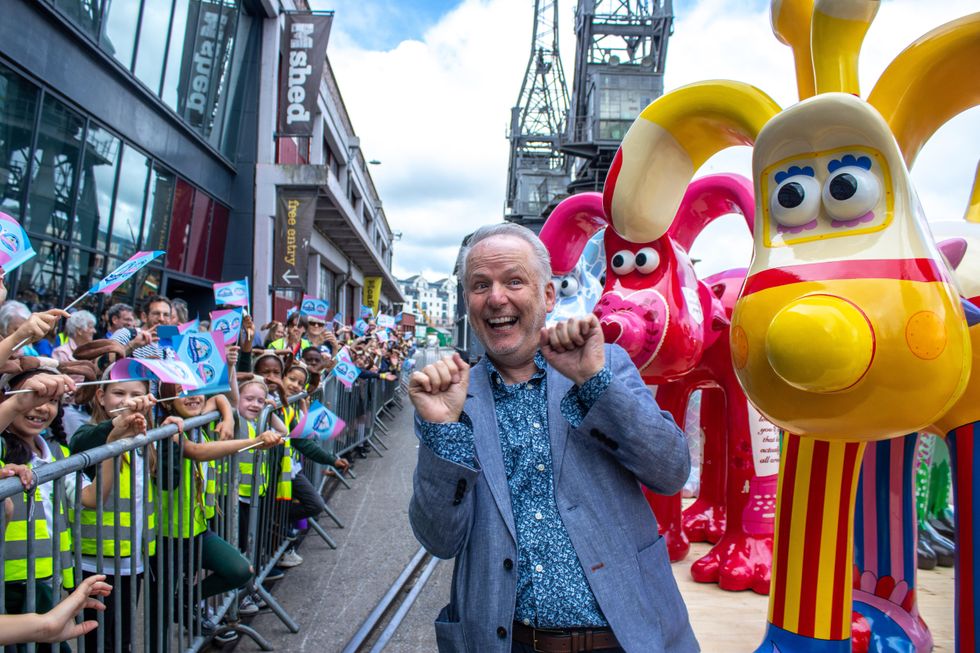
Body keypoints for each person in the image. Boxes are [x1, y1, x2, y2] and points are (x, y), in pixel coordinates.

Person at [408, 223, 697, 653]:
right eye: (480, 285)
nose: (496, 298)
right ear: (468, 302)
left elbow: (671, 471)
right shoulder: (452, 400)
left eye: (514, 281)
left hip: (627, 637)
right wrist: (442, 431)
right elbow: (438, 540)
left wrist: (594, 384)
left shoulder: (604, 365)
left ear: (547, 295)